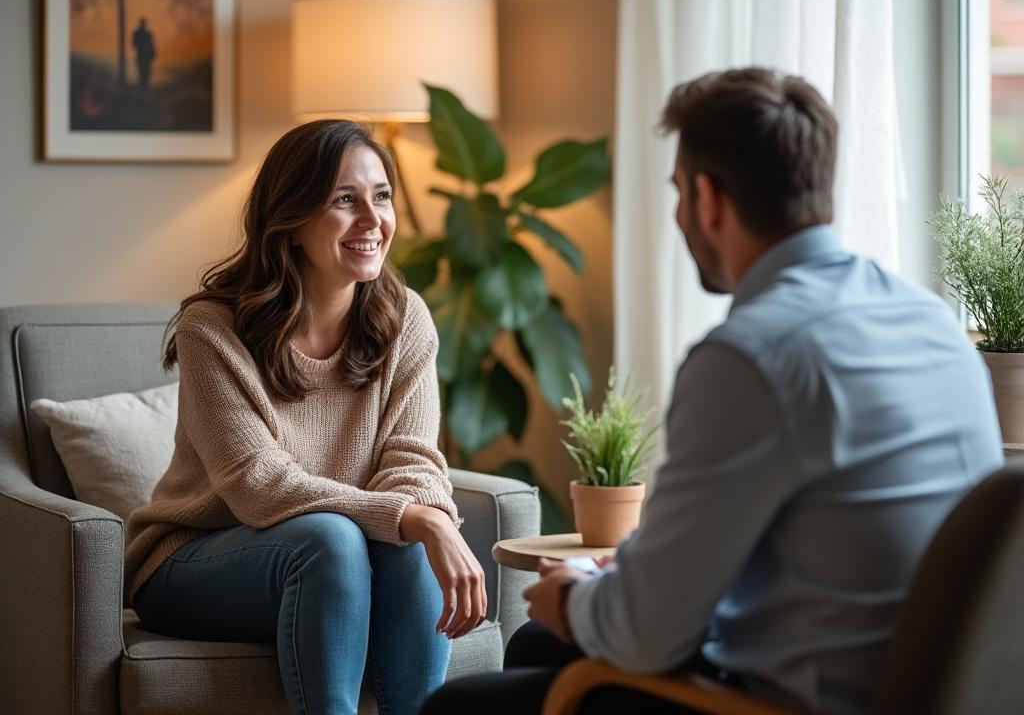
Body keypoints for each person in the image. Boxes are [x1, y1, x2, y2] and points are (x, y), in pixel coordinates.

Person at [421, 67, 1005, 715]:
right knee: (536, 643)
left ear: (707, 198)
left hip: (797, 701)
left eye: (676, 192)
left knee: (461, 704)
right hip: (915, 681)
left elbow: (644, 636)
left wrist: (572, 597)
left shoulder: (754, 356)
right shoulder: (929, 320)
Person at [125, 120, 486, 715]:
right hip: (190, 562)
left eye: (382, 196)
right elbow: (259, 488)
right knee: (337, 538)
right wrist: (417, 517)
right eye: (344, 201)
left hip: (333, 557)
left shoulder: (406, 319)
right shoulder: (214, 329)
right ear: (290, 219)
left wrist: (424, 519)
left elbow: (413, 461)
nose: (373, 221)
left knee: (397, 541)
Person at [132, 18, 156, 89]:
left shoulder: (148, 34)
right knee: (142, 71)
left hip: (146, 56)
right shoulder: (137, 33)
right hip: (141, 56)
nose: (143, 25)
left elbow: (151, 45)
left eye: (143, 24)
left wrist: (152, 54)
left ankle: (144, 86)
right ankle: (143, 86)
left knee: (146, 72)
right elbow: (134, 44)